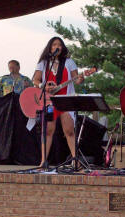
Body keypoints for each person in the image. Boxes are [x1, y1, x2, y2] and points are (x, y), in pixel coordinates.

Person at [32, 37, 84, 167]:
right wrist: (43, 86)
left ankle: (75, 160)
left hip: (66, 100)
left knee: (69, 131)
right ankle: (43, 161)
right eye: (54, 44)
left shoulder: (69, 62)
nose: (57, 47)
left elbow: (76, 79)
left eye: (59, 45)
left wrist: (81, 79)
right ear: (50, 48)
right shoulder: (44, 63)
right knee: (48, 131)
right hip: (50, 101)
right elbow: (36, 80)